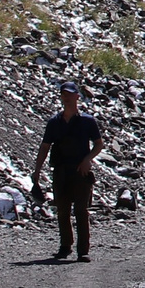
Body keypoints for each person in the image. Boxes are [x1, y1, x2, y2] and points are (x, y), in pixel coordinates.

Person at [31, 81, 102, 262]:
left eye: (70, 94)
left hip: (81, 172)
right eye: (64, 94)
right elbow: (45, 147)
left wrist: (87, 160)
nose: (67, 97)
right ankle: (65, 247)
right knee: (62, 210)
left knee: (81, 210)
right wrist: (37, 171)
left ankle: (83, 251)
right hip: (61, 171)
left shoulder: (87, 121)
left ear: (78, 96)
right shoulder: (54, 122)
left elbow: (99, 144)